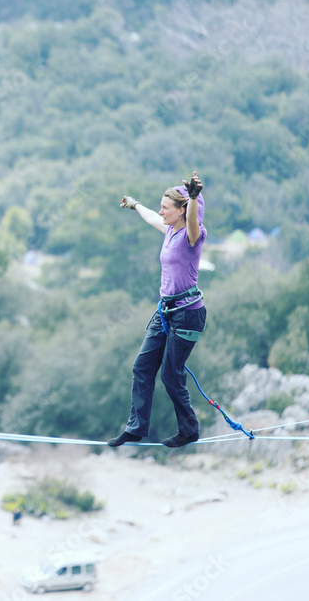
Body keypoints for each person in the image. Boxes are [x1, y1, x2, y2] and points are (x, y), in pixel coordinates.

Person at [107, 172, 207, 449]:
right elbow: (152, 216)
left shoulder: (191, 235)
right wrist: (135, 204)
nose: (161, 211)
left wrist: (194, 197)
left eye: (166, 207)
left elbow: (192, 222)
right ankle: (136, 427)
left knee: (171, 376)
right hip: (166, 312)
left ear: (182, 211)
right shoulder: (170, 230)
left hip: (188, 314)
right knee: (142, 366)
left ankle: (189, 429)